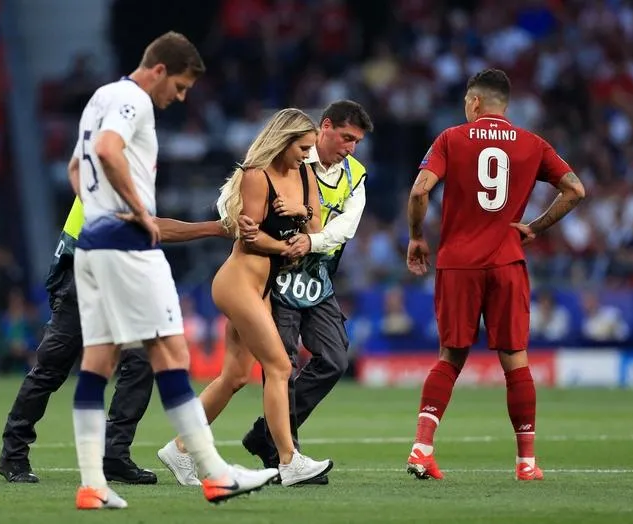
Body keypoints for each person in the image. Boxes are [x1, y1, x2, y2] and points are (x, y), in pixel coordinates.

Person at [68, 31, 278, 510]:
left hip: (93, 246)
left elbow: (75, 167)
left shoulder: (99, 97)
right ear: (159, 69)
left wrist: (97, 208)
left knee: (98, 360)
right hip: (128, 247)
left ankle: (92, 485)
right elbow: (105, 149)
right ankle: (215, 474)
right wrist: (140, 212)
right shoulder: (133, 98)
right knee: (172, 351)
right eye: (179, 87)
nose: (177, 98)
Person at [158, 101, 373, 487]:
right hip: (239, 282)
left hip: (264, 286)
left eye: (310, 148)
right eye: (302, 148)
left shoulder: (304, 175)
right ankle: (288, 460)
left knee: (235, 376)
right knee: (279, 367)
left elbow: (317, 223)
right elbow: (250, 238)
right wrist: (287, 246)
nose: (308, 156)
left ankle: (180, 448)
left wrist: (303, 216)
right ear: (284, 140)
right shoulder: (256, 175)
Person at [404, 69, 586, 481]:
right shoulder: (532, 143)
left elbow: (419, 190)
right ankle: (526, 463)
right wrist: (536, 227)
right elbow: (575, 189)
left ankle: (421, 449)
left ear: (474, 103)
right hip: (507, 261)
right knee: (515, 361)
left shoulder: (451, 138)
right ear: (505, 106)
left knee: (450, 357)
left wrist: (416, 236)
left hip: (457, 263)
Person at [0, 197, 228, 485]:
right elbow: (148, 228)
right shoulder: (110, 165)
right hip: (83, 274)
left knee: (143, 360)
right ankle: (13, 453)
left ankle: (114, 455)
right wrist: (217, 228)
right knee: (51, 369)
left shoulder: (129, 165)